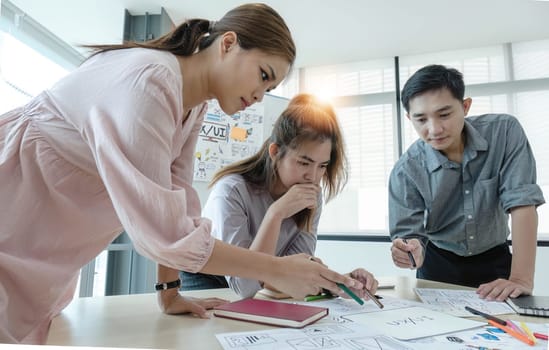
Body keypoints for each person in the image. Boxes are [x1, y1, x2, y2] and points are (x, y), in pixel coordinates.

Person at [0, 4, 362, 344]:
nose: (259, 95)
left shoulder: (193, 106)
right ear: (228, 43)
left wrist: (169, 292)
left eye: (269, 89)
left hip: (48, 245)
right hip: (16, 214)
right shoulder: (151, 81)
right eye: (262, 75)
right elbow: (168, 232)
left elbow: (177, 203)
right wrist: (277, 269)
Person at [174, 93, 378, 299]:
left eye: (322, 166)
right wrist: (276, 214)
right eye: (304, 163)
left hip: (256, 282)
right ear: (275, 152)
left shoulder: (312, 197)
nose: (313, 177)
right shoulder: (231, 191)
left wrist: (342, 283)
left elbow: (294, 272)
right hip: (208, 277)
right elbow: (245, 287)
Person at [389, 64, 545, 301]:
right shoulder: (406, 169)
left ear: (465, 106)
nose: (434, 129)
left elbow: (522, 204)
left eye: (444, 114)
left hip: (495, 259)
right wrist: (410, 251)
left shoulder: (504, 132)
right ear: (410, 118)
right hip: (437, 263)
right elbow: (409, 235)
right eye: (421, 119)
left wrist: (521, 279)